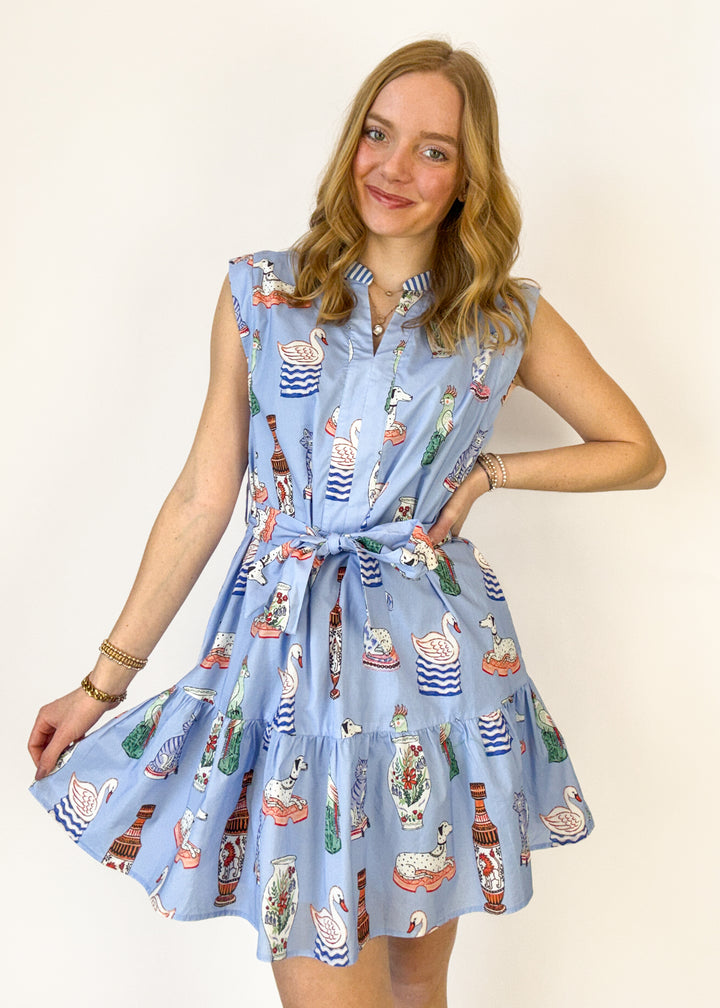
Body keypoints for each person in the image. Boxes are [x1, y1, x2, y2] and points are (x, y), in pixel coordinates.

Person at [28, 38, 664, 1008]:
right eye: (378, 133)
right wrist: (101, 682)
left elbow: (635, 450)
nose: (395, 167)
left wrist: (493, 471)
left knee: (416, 982)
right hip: (286, 675)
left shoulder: (501, 316)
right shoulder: (261, 294)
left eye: (433, 150)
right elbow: (206, 494)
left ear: (469, 180)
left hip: (437, 679)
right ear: (350, 143)